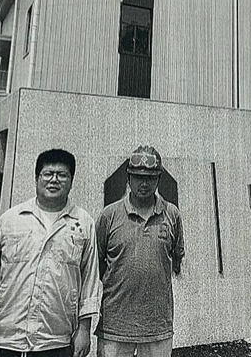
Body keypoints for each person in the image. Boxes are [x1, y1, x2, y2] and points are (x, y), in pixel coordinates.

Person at [0, 149, 99, 357]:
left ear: (71, 181)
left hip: (55, 340)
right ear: (36, 178)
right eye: (48, 174)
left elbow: (89, 280)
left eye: (62, 175)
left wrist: (84, 330)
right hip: (4, 338)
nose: (54, 180)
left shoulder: (83, 222)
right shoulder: (11, 219)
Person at [96, 145, 185, 357]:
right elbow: (97, 264)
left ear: (159, 179)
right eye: (138, 177)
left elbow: (176, 259)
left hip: (157, 326)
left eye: (150, 178)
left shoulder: (172, 214)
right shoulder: (109, 215)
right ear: (128, 178)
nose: (144, 183)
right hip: (115, 325)